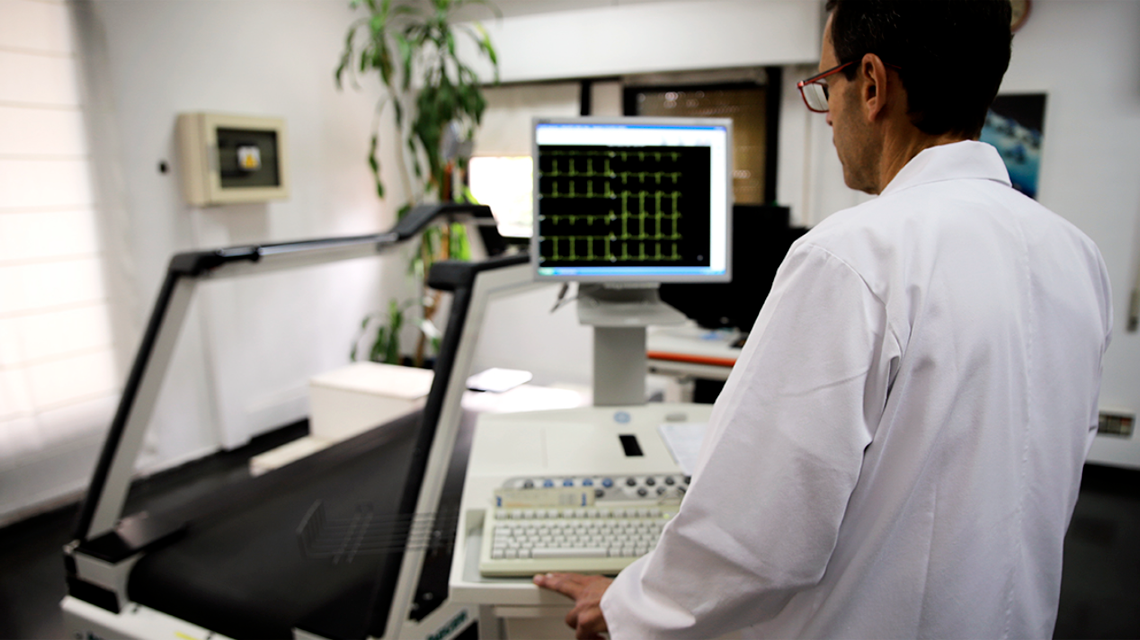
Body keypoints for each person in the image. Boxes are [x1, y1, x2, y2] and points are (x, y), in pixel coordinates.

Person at [535, 1, 1114, 638]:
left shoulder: (853, 255)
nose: (826, 116)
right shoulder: (1075, 256)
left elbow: (754, 534)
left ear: (870, 85)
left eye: (822, 87)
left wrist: (624, 608)